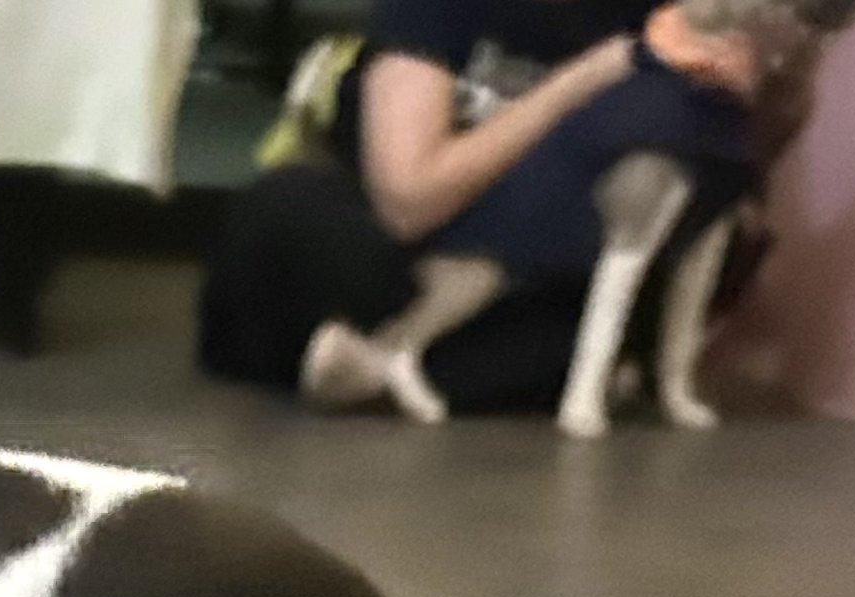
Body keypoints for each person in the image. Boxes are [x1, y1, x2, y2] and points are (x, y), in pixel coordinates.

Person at [199, 2, 758, 416]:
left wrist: (756, 86)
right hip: (406, 241)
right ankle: (465, 369)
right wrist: (589, 76)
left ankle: (384, 366)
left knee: (711, 236)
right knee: (289, 213)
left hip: (537, 253)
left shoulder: (667, 15)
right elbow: (409, 202)